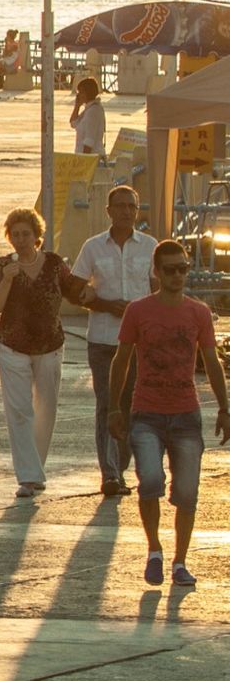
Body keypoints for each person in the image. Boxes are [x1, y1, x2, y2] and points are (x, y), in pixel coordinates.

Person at [109, 238, 228, 588]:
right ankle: (154, 551)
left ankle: (180, 561)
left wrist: (225, 407)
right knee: (149, 480)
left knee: (187, 492)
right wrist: (114, 407)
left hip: (186, 415)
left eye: (183, 269)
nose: (178, 275)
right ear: (157, 272)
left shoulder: (198, 313)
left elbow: (212, 362)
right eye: (171, 270)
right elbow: (121, 360)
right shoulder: (138, 311)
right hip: (146, 412)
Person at [0, 206, 85, 499]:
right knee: (19, 411)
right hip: (12, 345)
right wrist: (7, 279)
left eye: (25, 234)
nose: (21, 240)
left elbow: (74, 292)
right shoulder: (3, 265)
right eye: (15, 234)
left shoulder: (53, 263)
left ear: (37, 235)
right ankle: (28, 476)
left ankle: (36, 469)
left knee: (46, 408)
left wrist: (97, 289)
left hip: (50, 344)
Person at [73, 185, 156, 498]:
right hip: (104, 339)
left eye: (131, 206)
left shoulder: (150, 246)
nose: (126, 211)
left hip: (139, 342)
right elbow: (75, 289)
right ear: (108, 211)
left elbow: (159, 288)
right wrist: (105, 304)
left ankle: (120, 467)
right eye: (120, 206)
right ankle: (109, 473)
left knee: (132, 405)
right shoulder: (93, 247)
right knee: (107, 403)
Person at [71, 76, 105, 155]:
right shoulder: (88, 109)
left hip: (92, 156)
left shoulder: (93, 111)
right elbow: (73, 123)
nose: (79, 95)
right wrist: (77, 106)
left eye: (81, 92)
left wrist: (84, 160)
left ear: (88, 93)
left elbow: (89, 140)